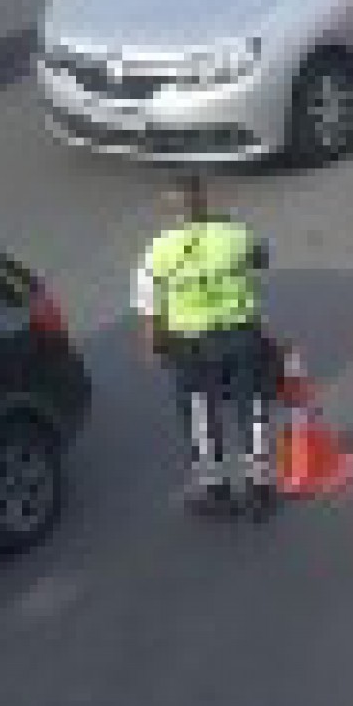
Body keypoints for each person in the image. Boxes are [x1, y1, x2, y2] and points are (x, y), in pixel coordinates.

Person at [135, 191, 279, 513]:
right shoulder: (235, 235)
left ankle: (216, 490)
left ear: (168, 212)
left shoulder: (158, 250)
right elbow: (262, 259)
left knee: (201, 414)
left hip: (190, 344)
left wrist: (152, 344)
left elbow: (149, 305)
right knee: (251, 406)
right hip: (241, 335)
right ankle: (259, 487)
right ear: (204, 205)